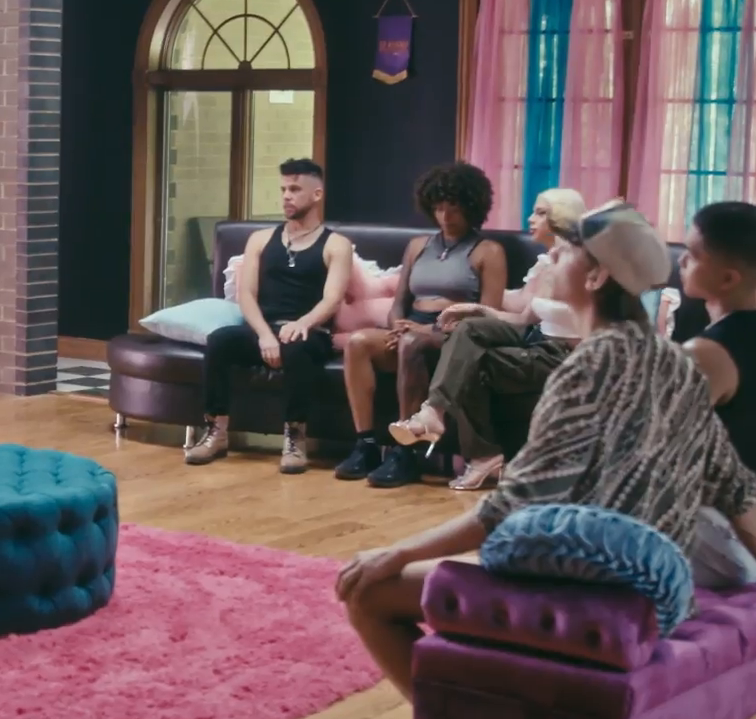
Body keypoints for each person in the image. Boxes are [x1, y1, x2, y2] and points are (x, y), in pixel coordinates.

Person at [336, 202, 756, 719]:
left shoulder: (589, 364)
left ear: (596, 276)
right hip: (653, 586)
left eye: (567, 251)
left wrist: (396, 551)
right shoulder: (669, 360)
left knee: (369, 592)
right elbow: (732, 485)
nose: (552, 257)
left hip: (594, 583)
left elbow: (511, 506)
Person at [385, 188, 587, 490]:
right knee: (466, 335)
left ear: (562, 217)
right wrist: (477, 309)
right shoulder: (546, 264)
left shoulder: (582, 265)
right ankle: (445, 423)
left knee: (470, 357)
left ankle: (472, 446)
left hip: (564, 357)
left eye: (541, 213)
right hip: (536, 343)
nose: (530, 219)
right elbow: (523, 319)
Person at [336, 163, 506, 487]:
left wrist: (428, 331)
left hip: (454, 335)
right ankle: (366, 445)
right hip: (410, 328)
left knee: (412, 344)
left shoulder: (489, 251)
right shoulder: (417, 246)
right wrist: (396, 325)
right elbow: (400, 300)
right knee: (358, 342)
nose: (445, 216)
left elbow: (489, 316)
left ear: (471, 206)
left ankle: (407, 452)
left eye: (453, 208)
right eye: (438, 208)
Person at [185, 158, 355, 474]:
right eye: (283, 189)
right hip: (264, 329)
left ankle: (295, 438)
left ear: (317, 194)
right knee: (220, 340)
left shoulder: (337, 244)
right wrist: (264, 334)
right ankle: (216, 431)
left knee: (298, 348)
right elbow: (246, 295)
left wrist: (302, 323)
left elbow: (332, 299)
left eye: (295, 189)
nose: (287, 196)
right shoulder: (260, 239)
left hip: (309, 332)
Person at [677, 201, 756, 589]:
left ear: (728, 278)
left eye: (692, 254)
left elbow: (657, 448)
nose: (681, 260)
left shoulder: (707, 353)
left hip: (727, 542)